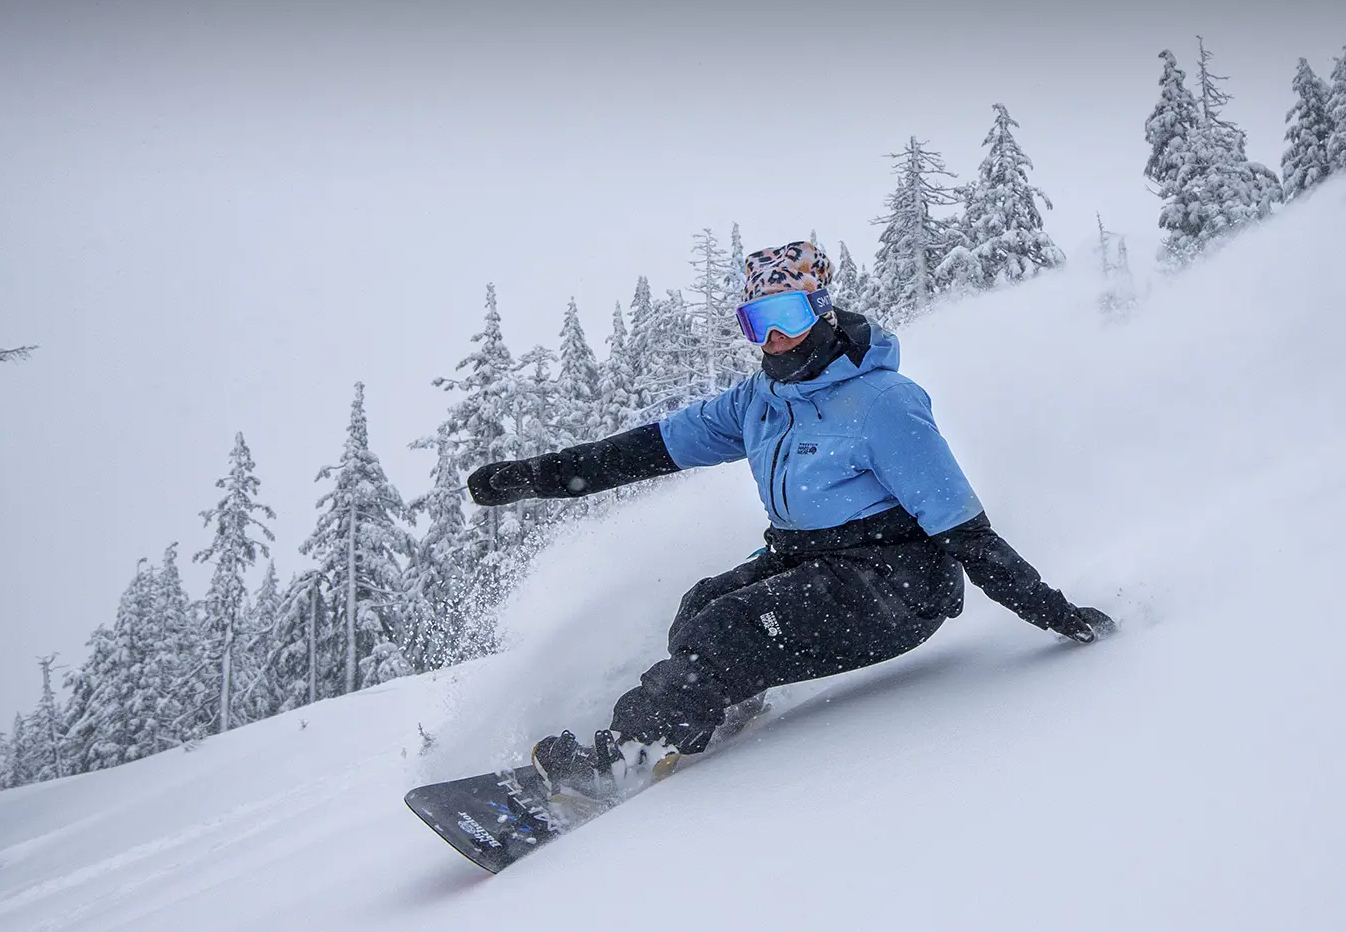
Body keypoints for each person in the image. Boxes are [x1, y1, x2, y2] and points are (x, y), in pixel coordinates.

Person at [467, 240, 1114, 800]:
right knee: (701, 605)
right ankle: (715, 711)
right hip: (811, 562)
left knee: (724, 630)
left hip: (898, 585)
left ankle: (616, 761)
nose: (773, 336)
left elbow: (965, 530)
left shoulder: (883, 403)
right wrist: (535, 477)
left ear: (820, 309)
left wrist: (1054, 613)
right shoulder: (760, 401)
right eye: (756, 321)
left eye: (786, 315)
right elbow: (648, 449)